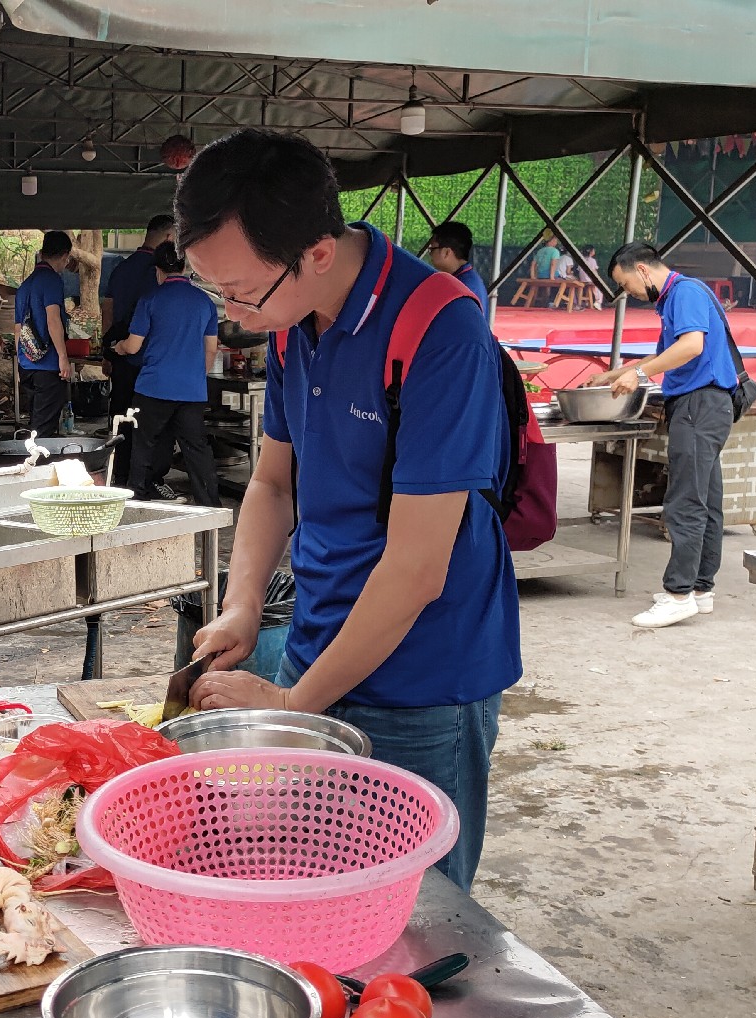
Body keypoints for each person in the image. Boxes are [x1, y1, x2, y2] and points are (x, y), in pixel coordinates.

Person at [176, 130, 520, 893]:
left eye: (238, 291)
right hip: (316, 645)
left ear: (318, 253)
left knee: (419, 916)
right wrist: (240, 608)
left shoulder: (439, 330)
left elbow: (417, 567)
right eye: (214, 291)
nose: (229, 312)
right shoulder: (294, 321)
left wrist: (295, 708)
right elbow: (273, 484)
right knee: (308, 880)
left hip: (424, 679)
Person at [591, 243, 738, 629]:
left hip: (698, 406)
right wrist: (617, 371)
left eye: (626, 284)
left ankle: (678, 594)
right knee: (707, 499)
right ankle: (701, 589)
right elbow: (670, 353)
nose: (630, 294)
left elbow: (691, 346)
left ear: (641, 270)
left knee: (685, 501)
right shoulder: (679, 294)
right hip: (709, 406)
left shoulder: (684, 292)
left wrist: (638, 376)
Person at [113, 242, 219, 507]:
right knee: (197, 449)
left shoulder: (151, 300)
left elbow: (134, 345)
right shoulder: (205, 302)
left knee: (144, 443)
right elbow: (211, 349)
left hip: (153, 387)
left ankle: (138, 497)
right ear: (184, 267)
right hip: (192, 391)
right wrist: (196, 376)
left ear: (159, 270)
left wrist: (119, 347)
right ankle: (210, 504)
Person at [101, 214, 175, 482]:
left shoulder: (121, 268)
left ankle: (117, 471)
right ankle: (146, 480)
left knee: (120, 415)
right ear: (168, 237)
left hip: (120, 354)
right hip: (148, 362)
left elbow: (107, 310)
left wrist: (106, 351)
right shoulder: (158, 272)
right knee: (148, 423)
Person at [15, 230, 73, 436]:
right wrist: (63, 358)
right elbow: (53, 320)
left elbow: (18, 328)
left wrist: (20, 360)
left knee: (35, 422)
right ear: (65, 255)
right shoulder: (51, 280)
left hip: (27, 365)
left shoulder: (25, 285)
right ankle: (40, 466)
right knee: (44, 429)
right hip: (48, 366)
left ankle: (33, 462)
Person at [424, 222, 488, 307]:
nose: (430, 254)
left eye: (432, 248)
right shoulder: (467, 279)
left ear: (447, 252)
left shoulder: (463, 287)